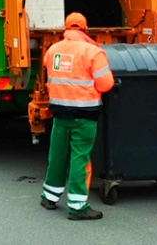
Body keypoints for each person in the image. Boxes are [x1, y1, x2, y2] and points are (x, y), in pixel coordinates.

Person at [40, 12, 115, 221]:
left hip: (59, 116)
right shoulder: (93, 52)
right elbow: (106, 84)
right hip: (83, 118)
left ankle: (49, 196)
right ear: (84, 28)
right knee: (79, 160)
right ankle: (77, 205)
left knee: (57, 157)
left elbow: (51, 73)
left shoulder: (53, 50)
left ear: (67, 28)